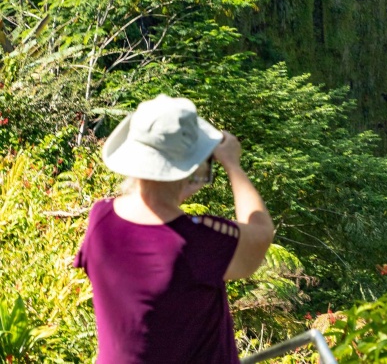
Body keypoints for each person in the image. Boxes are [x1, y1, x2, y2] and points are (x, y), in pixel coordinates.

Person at [74, 94, 274, 363]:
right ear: (191, 166)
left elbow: (153, 215)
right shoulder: (198, 242)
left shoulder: (101, 218)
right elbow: (261, 231)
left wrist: (176, 184)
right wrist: (233, 165)